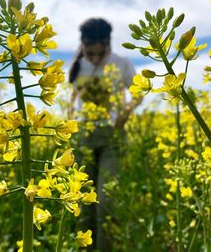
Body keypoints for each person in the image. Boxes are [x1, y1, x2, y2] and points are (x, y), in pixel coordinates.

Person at [69, 18, 141, 251]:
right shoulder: (78, 64)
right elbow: (73, 98)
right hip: (83, 136)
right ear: (83, 46)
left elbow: (138, 91)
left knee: (106, 205)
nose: (96, 59)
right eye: (91, 53)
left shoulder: (121, 62)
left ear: (109, 44)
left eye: (101, 53)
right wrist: (70, 121)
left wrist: (127, 111)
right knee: (81, 205)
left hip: (112, 136)